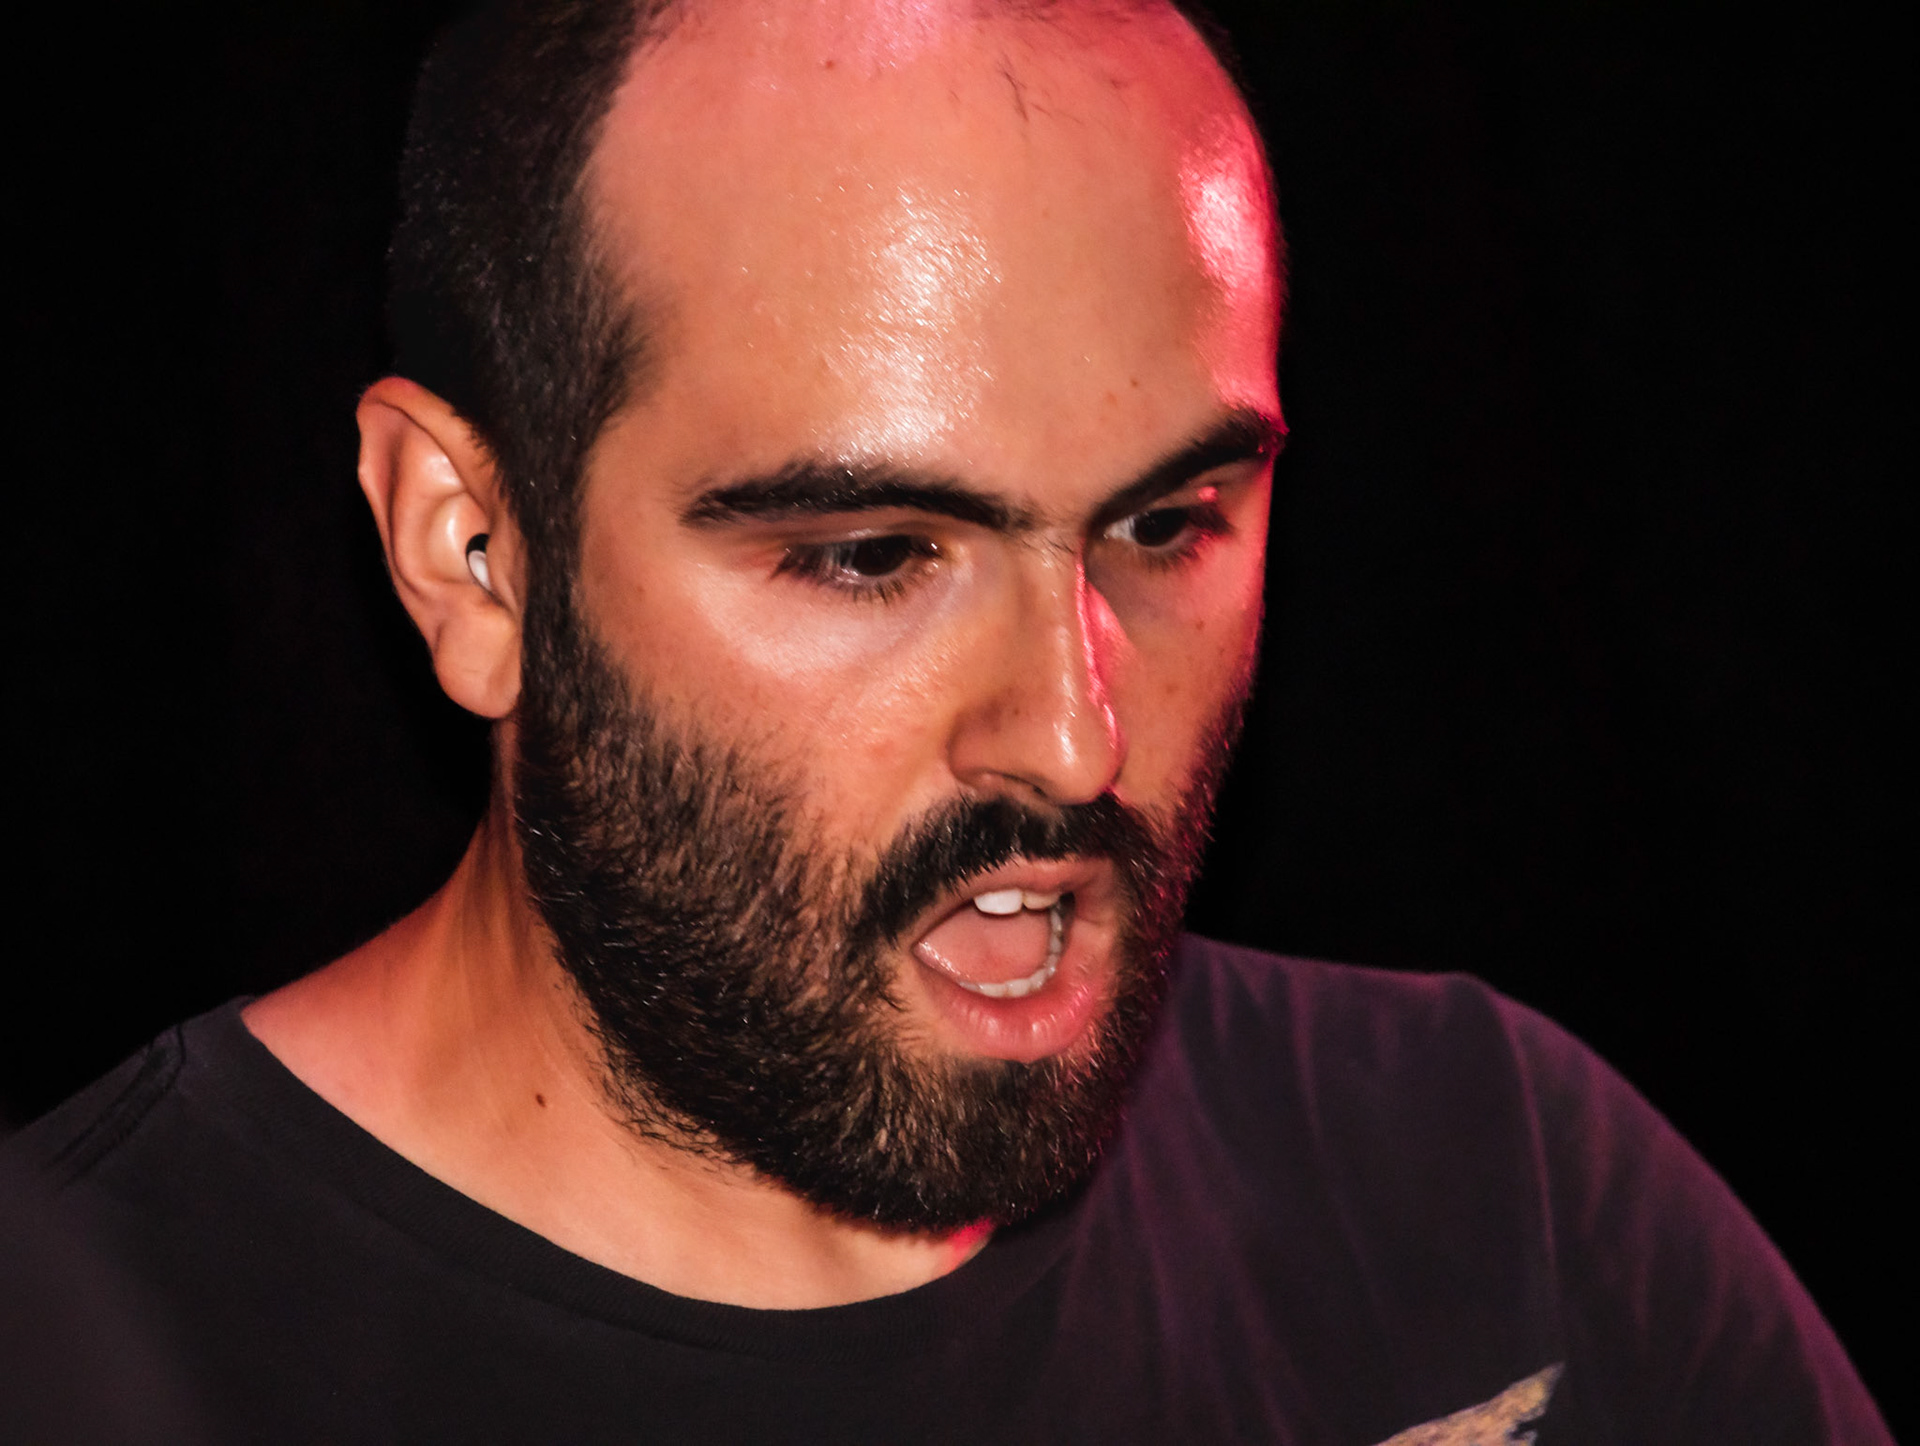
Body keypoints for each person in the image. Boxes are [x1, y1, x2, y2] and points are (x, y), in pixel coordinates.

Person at [9, 0, 1889, 1441]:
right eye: (872, 555)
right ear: (474, 553)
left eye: (1170, 525)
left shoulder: (1494, 1188)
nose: (1074, 737)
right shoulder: (92, 1359)